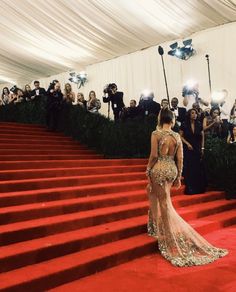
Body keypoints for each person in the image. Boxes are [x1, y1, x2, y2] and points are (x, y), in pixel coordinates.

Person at [146, 107, 228, 267]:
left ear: (160, 119)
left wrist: (148, 169)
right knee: (157, 195)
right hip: (171, 169)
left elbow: (154, 155)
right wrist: (178, 177)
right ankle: (154, 226)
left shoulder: (156, 134)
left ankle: (168, 236)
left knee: (163, 202)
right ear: (172, 119)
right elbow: (180, 158)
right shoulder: (176, 136)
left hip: (159, 168)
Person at [180, 109, 207, 194]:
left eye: (195, 113)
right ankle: (190, 188)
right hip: (188, 149)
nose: (194, 115)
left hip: (197, 148)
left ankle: (199, 188)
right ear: (189, 114)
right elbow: (180, 136)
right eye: (192, 113)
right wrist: (187, 143)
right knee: (189, 168)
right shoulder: (184, 124)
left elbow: (202, 137)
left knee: (197, 168)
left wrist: (202, 148)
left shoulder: (199, 124)